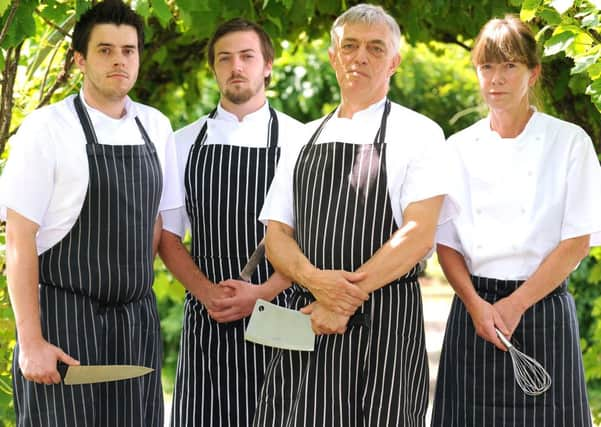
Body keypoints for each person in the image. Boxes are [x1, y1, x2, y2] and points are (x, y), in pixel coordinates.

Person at [252, 4, 457, 426]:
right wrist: (315, 283)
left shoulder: (419, 133)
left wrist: (342, 301)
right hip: (306, 320)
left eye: (375, 48)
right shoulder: (302, 137)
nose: (360, 57)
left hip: (384, 324)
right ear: (333, 56)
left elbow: (418, 235)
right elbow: (276, 235)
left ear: (394, 62)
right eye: (350, 46)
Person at [0, 1, 182, 425]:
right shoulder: (46, 128)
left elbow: (156, 223)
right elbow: (19, 238)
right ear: (80, 59)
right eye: (105, 50)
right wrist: (31, 342)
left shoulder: (156, 127)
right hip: (63, 322)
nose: (119, 60)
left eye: (128, 50)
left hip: (135, 322)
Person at [431, 15, 601, 427]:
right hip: (475, 312)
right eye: (487, 66)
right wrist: (476, 305)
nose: (496, 79)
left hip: (542, 308)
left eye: (509, 66)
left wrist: (517, 303)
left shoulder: (569, 142)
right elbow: (446, 243)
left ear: (533, 72)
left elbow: (576, 242)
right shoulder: (458, 147)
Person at [158, 18, 303, 427]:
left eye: (247, 56)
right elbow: (168, 236)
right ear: (214, 68)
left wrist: (263, 291)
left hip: (281, 310)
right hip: (209, 316)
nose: (236, 67)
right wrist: (208, 294)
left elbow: (311, 237)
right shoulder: (183, 143)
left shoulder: (301, 140)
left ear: (268, 65)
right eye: (225, 58)